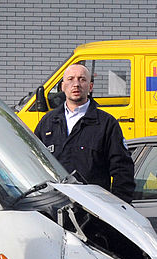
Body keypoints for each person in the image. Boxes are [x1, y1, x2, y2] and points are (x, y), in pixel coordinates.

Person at [33, 63, 135, 203]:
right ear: (62, 86)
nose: (76, 84)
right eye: (70, 79)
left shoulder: (106, 124)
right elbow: (34, 164)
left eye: (82, 79)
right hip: (54, 207)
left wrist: (119, 205)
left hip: (93, 210)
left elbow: (123, 170)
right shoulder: (47, 122)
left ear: (90, 87)